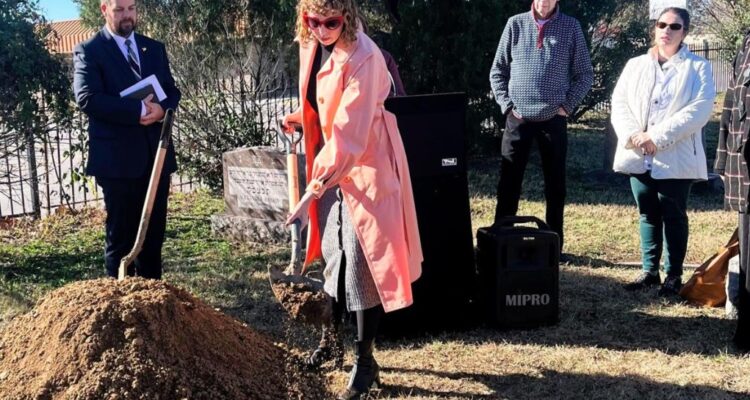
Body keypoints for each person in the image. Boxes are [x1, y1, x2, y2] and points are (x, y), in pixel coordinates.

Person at [282, 0, 423, 398]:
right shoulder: (310, 44)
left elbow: (349, 134)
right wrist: (299, 117)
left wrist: (312, 189)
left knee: (364, 264)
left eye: (331, 22)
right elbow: (323, 100)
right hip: (330, 167)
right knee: (333, 258)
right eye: (313, 21)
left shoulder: (365, 57)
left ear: (346, 17)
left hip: (366, 166)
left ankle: (365, 363)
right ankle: (330, 345)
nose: (322, 30)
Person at [73, 0, 181, 280]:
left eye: (131, 8)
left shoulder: (153, 48)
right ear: (104, 9)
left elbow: (170, 90)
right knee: (121, 238)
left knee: (153, 237)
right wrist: (137, 110)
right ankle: (119, 304)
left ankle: (153, 305)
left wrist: (161, 109)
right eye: (119, 9)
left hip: (156, 157)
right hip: (117, 162)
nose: (127, 16)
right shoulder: (90, 51)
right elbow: (88, 98)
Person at [611, 7, 715, 296]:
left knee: (673, 213)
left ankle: (673, 275)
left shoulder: (698, 67)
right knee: (647, 212)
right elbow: (619, 104)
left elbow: (700, 110)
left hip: (676, 155)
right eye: (662, 24)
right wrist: (635, 136)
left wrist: (656, 137)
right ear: (654, 28)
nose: (667, 31)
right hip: (638, 153)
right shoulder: (635, 65)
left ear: (685, 32)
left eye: (675, 26)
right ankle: (649, 272)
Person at [489, 0, 593, 256]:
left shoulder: (570, 27)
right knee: (509, 181)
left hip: (553, 120)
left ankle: (554, 245)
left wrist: (567, 107)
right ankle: (501, 241)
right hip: (518, 118)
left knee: (555, 185)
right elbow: (497, 70)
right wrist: (507, 105)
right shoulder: (515, 24)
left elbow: (585, 74)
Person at [715, 28, 750, 352]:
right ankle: (746, 328)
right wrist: (723, 162)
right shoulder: (747, 41)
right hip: (745, 169)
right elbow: (730, 106)